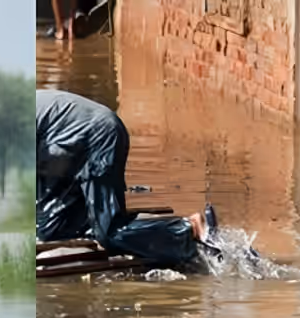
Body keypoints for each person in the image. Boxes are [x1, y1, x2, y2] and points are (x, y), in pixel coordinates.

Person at [37, 89, 216, 268]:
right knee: (50, 228)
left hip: (97, 138)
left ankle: (187, 229)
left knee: (109, 232)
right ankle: (135, 229)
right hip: (69, 148)